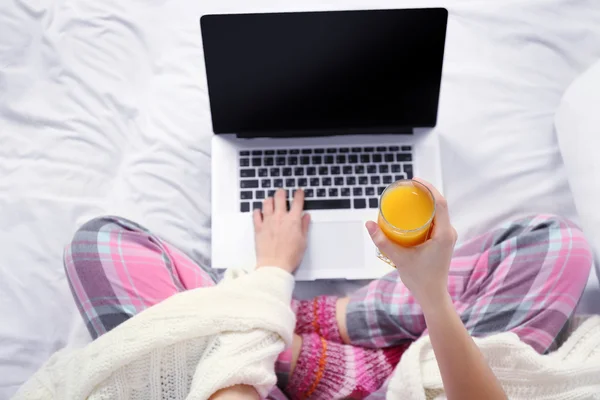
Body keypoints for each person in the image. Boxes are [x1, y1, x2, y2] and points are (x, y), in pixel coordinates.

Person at [25, 179, 593, 399]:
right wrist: (431, 295)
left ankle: (291, 341)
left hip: (249, 386)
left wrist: (271, 275)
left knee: (99, 248)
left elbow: (225, 383)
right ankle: (334, 327)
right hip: (424, 386)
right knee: (558, 245)